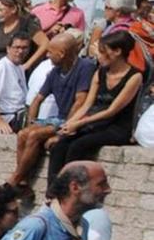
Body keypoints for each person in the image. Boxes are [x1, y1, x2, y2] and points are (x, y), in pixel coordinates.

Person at [47, 31, 144, 179]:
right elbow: (87, 105)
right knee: (60, 146)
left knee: (78, 146)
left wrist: (80, 123)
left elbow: (111, 110)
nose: (98, 55)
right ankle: (52, 192)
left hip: (116, 127)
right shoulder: (100, 73)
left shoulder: (134, 77)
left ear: (117, 52)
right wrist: (69, 124)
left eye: (103, 52)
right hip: (96, 123)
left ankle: (68, 188)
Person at [9, 32, 95, 192]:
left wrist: (62, 132)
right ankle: (23, 182)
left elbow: (80, 102)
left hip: (74, 120)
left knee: (34, 136)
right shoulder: (54, 72)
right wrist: (31, 123)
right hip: (58, 118)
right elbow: (37, 100)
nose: (47, 56)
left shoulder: (84, 67)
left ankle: (15, 178)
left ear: (62, 54)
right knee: (24, 134)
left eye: (50, 52)